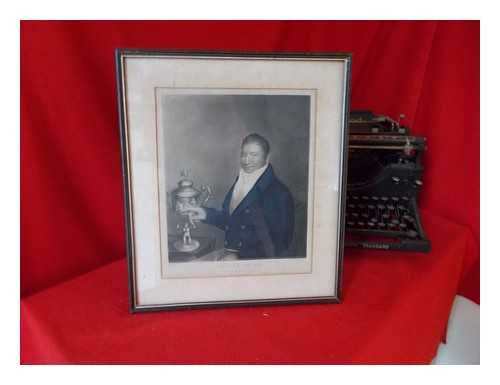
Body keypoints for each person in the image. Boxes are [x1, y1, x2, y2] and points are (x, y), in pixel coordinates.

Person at [184, 133, 295, 260]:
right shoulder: (243, 179)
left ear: (267, 157)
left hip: (254, 263)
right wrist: (205, 214)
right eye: (244, 154)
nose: (246, 160)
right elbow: (234, 221)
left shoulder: (279, 193)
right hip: (230, 253)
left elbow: (279, 246)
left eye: (253, 155)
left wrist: (239, 258)